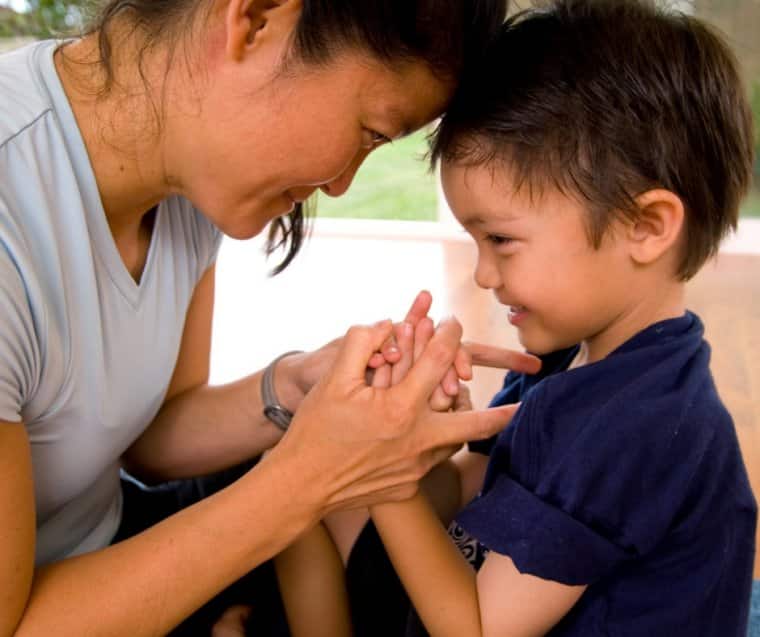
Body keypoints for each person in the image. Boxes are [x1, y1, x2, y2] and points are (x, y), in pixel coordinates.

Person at [0, 0, 553, 635]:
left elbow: (149, 441)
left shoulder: (180, 171)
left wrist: (294, 388)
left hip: (109, 536)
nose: (344, 184)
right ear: (257, 19)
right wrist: (311, 475)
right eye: (371, 132)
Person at [273, 0, 759, 635]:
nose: (482, 274)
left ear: (645, 227)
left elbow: (475, 630)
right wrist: (422, 445)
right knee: (294, 511)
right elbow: (485, 485)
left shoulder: (641, 428)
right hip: (488, 585)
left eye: (500, 240)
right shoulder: (575, 358)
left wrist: (386, 477)